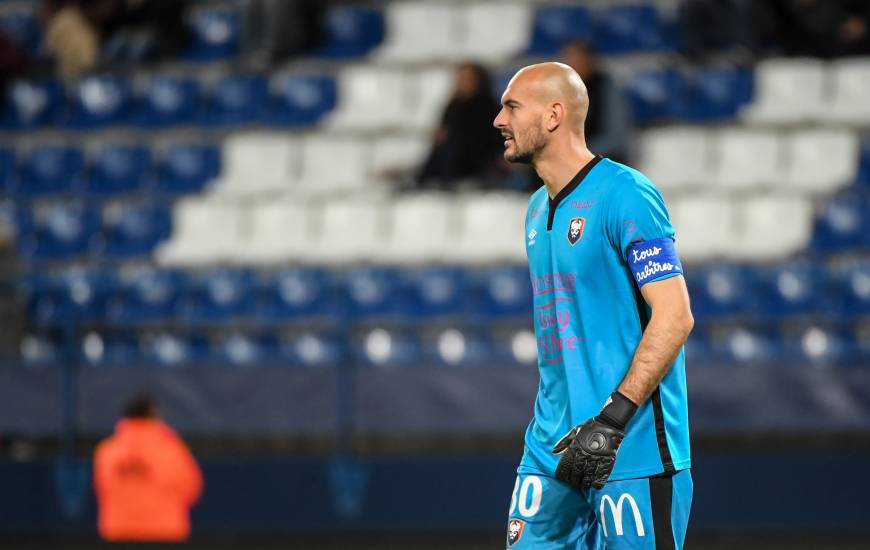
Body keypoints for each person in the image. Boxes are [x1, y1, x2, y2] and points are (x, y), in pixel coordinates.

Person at [494, 63, 693, 549]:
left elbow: (675, 315)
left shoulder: (627, 194)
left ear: (554, 115)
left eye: (512, 106)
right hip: (550, 448)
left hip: (630, 445)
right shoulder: (537, 209)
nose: (499, 120)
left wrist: (612, 419)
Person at [93, 392, 203, 542]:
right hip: (164, 531)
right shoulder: (172, 449)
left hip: (119, 530)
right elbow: (191, 487)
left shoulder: (107, 451)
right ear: (154, 414)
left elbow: (102, 487)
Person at [417, 62, 503, 188]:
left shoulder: (488, 106)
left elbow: (490, 138)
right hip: (452, 156)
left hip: (478, 158)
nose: (462, 83)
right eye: (460, 78)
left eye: (467, 79)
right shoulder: (453, 105)